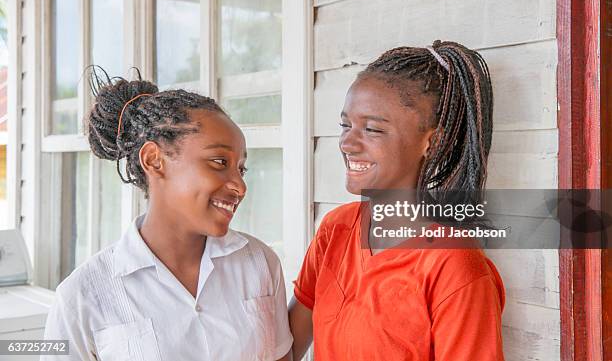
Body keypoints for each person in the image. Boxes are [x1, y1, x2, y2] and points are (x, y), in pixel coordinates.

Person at [42, 67, 293, 361]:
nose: (239, 185)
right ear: (154, 160)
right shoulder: (82, 296)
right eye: (218, 161)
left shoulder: (259, 263)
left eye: (241, 168)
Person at [289, 41, 505, 360]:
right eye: (345, 125)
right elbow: (284, 346)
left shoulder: (453, 263)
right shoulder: (336, 229)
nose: (347, 143)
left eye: (372, 129)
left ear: (433, 141)